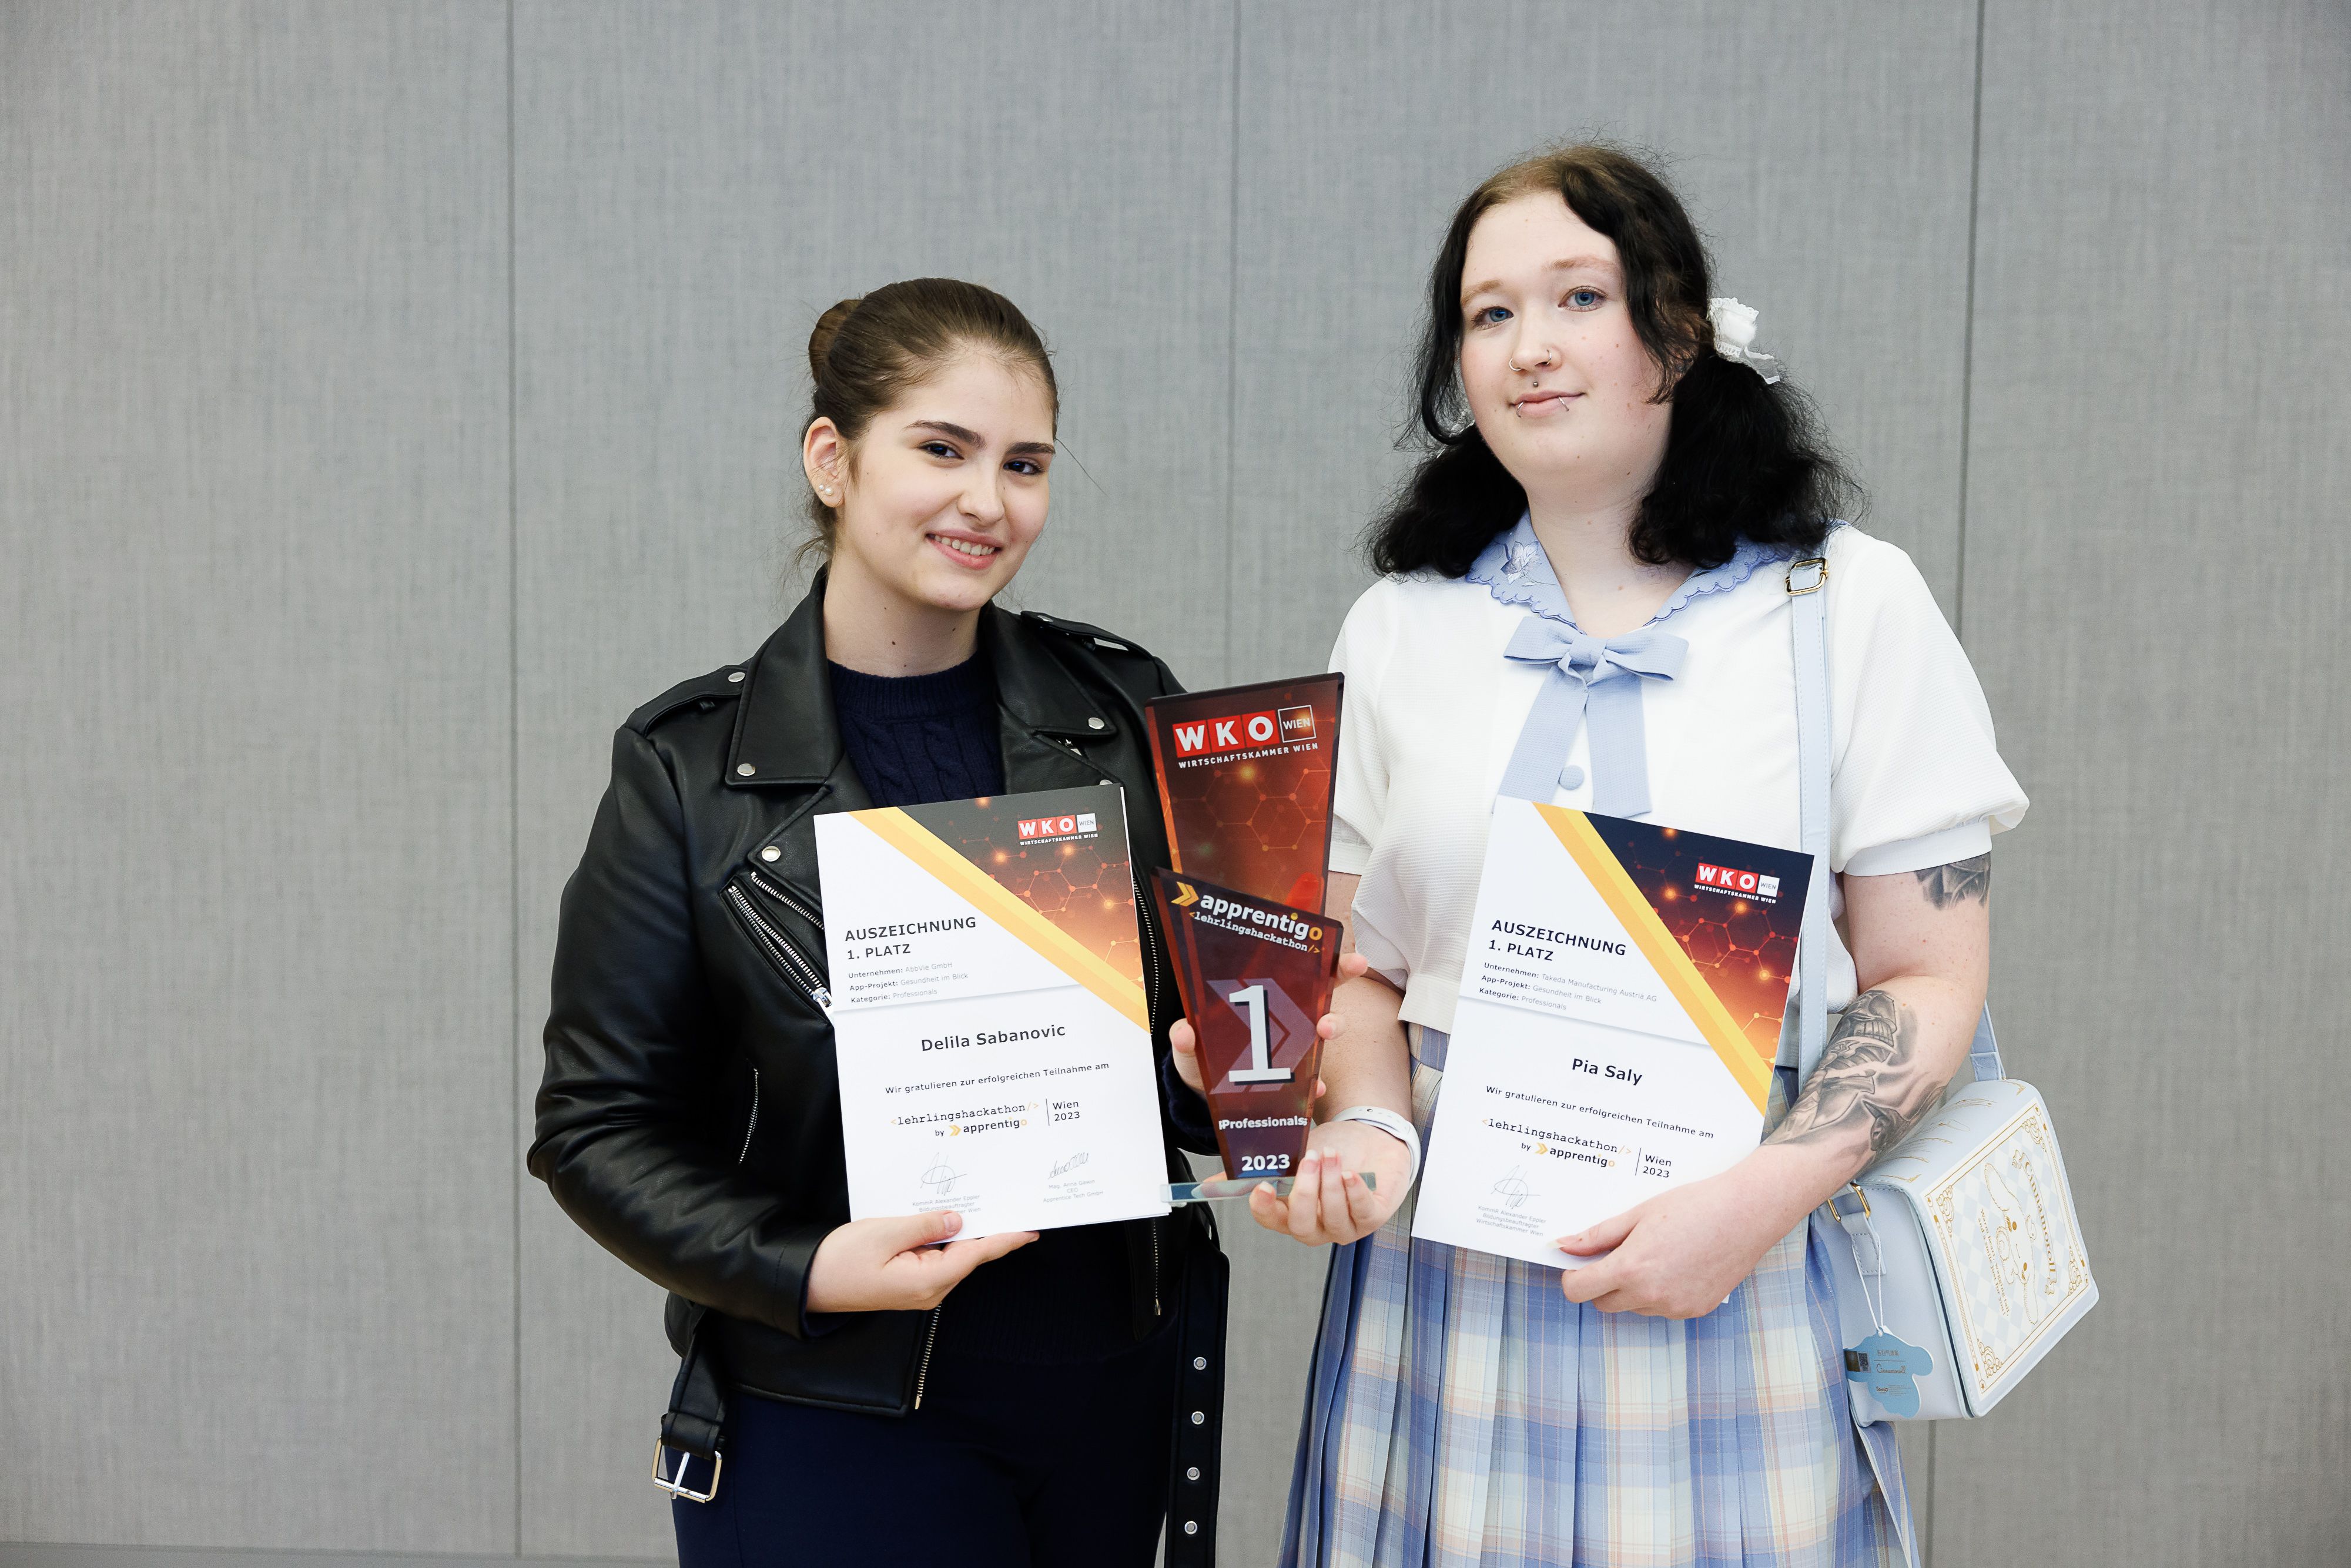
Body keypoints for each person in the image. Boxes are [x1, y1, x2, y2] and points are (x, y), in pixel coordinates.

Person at [1174, 145, 2027, 1566]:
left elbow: (1928, 974)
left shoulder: (1846, 603)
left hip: (1738, 1245)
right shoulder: (1403, 624)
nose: (1528, 345)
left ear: (1677, 331)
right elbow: (1363, 969)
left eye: (1577, 294)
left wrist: (1743, 1214)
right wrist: (1369, 1131)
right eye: (1488, 312)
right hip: (1440, 1275)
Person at [531, 279, 1254, 1568]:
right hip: (835, 1408)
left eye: (1023, 463)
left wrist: (1222, 1077)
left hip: (1106, 1400)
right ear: (831, 459)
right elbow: (596, 1128)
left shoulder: (1126, 712)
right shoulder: (687, 769)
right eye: (941, 449)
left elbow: (1196, 1080)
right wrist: (808, 1263)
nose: (987, 500)